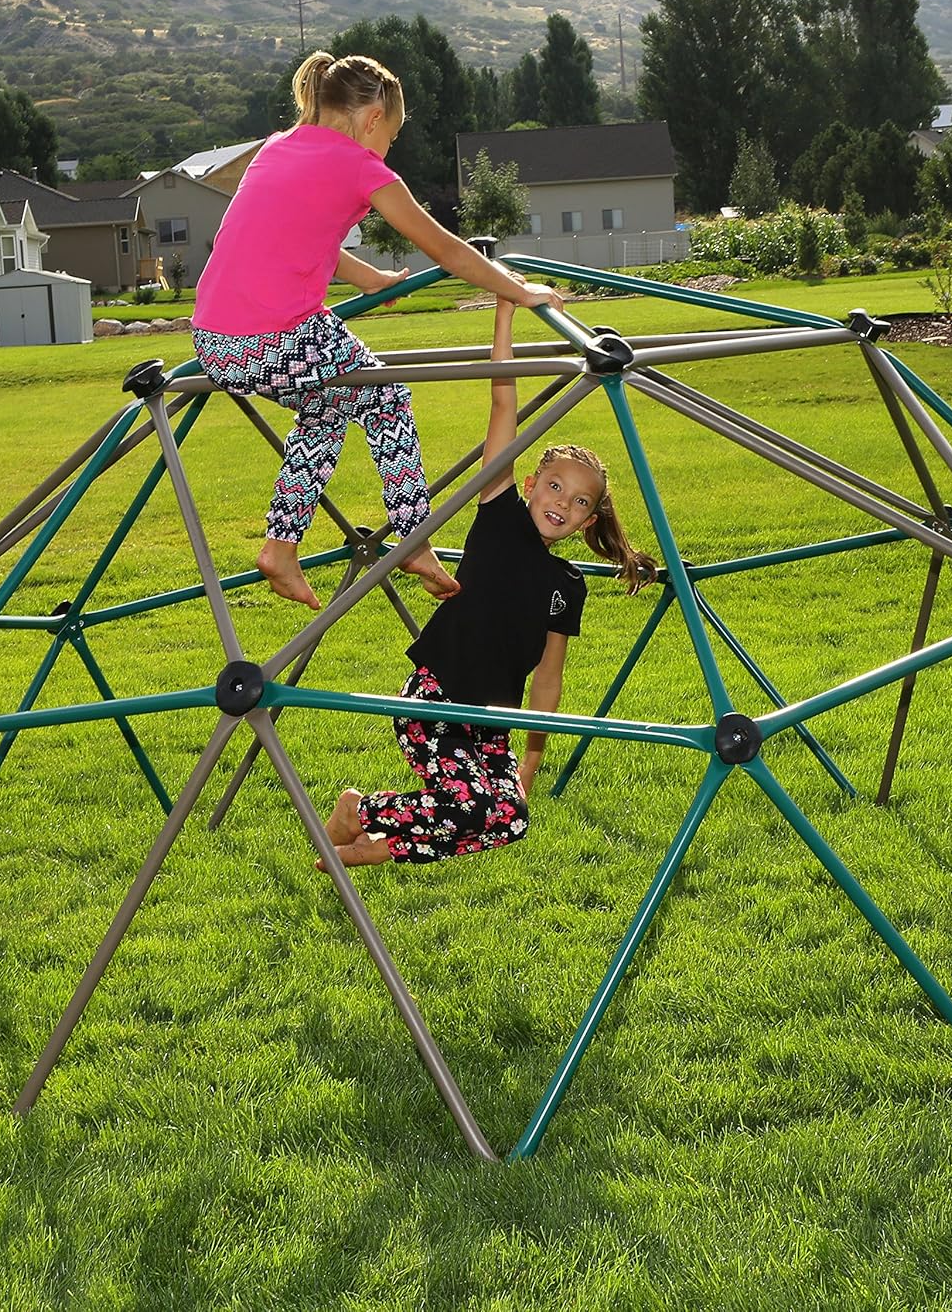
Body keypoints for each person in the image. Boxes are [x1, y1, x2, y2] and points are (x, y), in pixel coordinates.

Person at [191, 50, 566, 609]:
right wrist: (517, 289)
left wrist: (368, 277)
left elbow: (296, 235)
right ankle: (415, 540)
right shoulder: (358, 164)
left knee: (330, 407)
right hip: (268, 339)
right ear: (371, 121)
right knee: (385, 394)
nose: (388, 149)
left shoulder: (279, 147)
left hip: (215, 339)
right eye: (391, 136)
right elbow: (443, 246)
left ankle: (281, 546)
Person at [319, 296, 657, 869]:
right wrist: (504, 314)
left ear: (589, 520)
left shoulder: (568, 585)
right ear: (528, 482)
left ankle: (366, 819)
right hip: (438, 697)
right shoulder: (499, 518)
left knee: (511, 818)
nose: (562, 504)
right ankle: (366, 823)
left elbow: (548, 679)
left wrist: (530, 760)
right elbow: (503, 404)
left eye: (579, 502)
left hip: (496, 720)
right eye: (554, 486)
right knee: (470, 804)